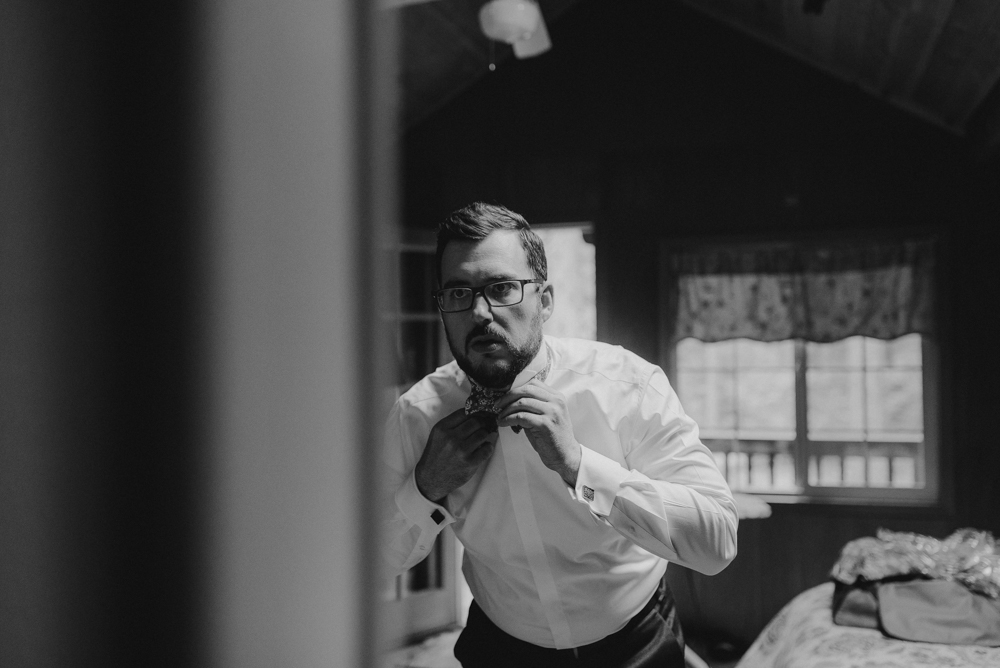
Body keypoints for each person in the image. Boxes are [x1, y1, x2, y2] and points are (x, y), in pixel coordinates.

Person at [381, 202, 738, 667]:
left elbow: (717, 543)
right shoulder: (416, 414)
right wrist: (425, 487)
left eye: (502, 288)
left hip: (638, 642)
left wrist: (579, 465)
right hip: (499, 649)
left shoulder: (628, 385)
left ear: (545, 301)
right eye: (458, 294)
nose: (480, 312)